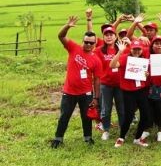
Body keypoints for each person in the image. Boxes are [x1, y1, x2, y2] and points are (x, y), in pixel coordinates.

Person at [50, 16, 102, 148]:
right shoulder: (73, 48)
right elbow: (61, 36)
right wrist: (67, 26)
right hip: (69, 92)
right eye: (86, 42)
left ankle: (87, 137)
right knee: (64, 116)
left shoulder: (96, 60)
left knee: (87, 117)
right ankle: (58, 138)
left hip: (86, 93)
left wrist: (96, 97)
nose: (89, 45)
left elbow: (97, 80)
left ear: (95, 43)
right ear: (82, 41)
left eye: (91, 43)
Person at [110, 39, 151, 148]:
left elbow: (146, 75)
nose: (136, 51)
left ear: (141, 50)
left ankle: (137, 138)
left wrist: (146, 74)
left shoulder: (143, 60)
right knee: (128, 116)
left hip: (141, 90)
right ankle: (121, 137)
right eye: (134, 49)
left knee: (146, 115)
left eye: (139, 49)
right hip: (128, 92)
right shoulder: (124, 58)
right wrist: (119, 52)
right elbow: (112, 65)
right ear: (131, 49)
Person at [95, 26, 124, 141]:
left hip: (120, 84)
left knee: (121, 108)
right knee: (105, 109)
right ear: (103, 37)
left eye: (111, 34)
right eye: (106, 35)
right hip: (105, 84)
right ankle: (106, 130)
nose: (109, 37)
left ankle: (123, 129)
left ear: (115, 36)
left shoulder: (121, 48)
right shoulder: (98, 51)